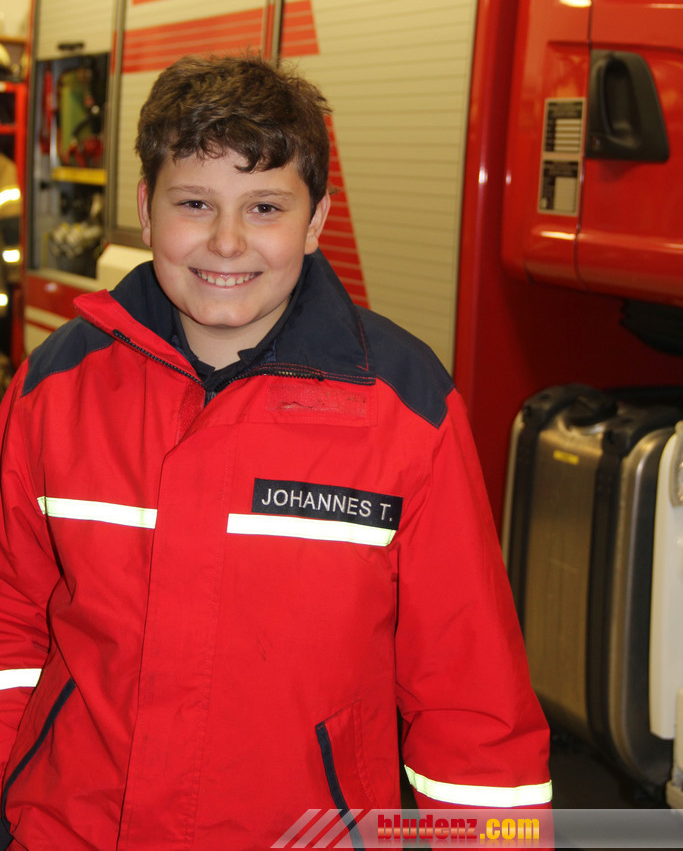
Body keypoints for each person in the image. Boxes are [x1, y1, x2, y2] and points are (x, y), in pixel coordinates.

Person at [0, 55, 551, 850]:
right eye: (194, 203)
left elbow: (469, 696)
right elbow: (12, 620)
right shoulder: (56, 388)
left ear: (316, 221)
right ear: (146, 212)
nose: (227, 242)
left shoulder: (403, 409)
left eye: (264, 207)